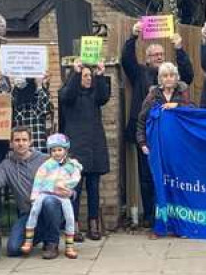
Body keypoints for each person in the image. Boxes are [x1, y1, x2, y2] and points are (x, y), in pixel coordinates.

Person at [122, 25, 194, 227]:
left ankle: (172, 213)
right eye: (154, 55)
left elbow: (188, 74)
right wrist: (133, 35)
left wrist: (179, 49)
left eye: (161, 54)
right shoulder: (140, 73)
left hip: (172, 138)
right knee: (146, 176)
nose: (159, 57)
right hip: (147, 136)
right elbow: (126, 59)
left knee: (171, 174)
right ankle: (150, 216)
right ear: (147, 59)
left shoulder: (176, 81)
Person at [0, 127, 67, 258]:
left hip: (50, 208)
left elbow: (66, 178)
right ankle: (44, 233)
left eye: (24, 140)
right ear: (11, 143)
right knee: (13, 249)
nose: (21, 143)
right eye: (17, 140)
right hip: (28, 213)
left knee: (50, 202)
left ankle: (52, 243)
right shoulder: (7, 165)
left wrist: (68, 191)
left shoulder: (45, 159)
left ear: (30, 142)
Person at [60, 58, 110, 241]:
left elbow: (104, 96)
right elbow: (67, 95)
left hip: (95, 145)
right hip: (76, 146)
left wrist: (101, 74)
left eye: (90, 76)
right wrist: (75, 72)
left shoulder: (94, 95)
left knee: (93, 187)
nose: (89, 79)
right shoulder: (69, 93)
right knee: (75, 188)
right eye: (85, 75)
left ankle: (93, 223)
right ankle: (73, 225)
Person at [21, 133, 81, 258]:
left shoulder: (71, 165)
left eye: (60, 150)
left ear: (66, 150)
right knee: (33, 213)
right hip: (45, 193)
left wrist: (66, 185)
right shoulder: (46, 165)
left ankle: (69, 246)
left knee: (70, 218)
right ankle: (28, 241)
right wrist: (34, 196)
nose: (57, 153)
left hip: (62, 196)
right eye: (54, 150)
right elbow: (38, 180)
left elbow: (76, 178)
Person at [11, 76, 52, 152]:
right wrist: (13, 86)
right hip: (20, 152)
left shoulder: (38, 98)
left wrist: (39, 85)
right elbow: (5, 102)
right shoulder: (16, 103)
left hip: (38, 149)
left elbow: (46, 107)